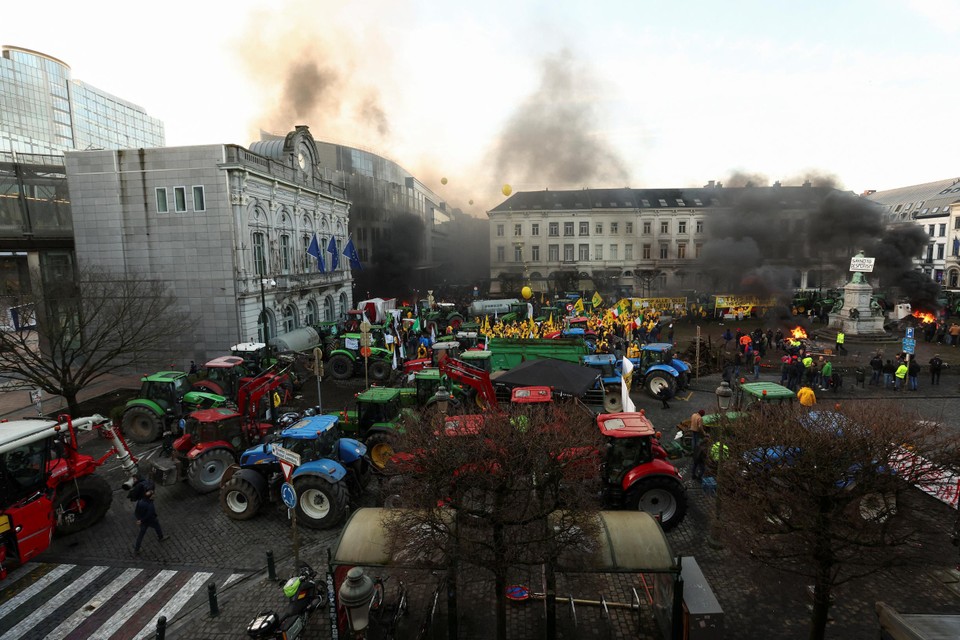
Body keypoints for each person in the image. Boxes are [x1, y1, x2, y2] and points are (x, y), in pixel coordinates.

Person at [134, 482, 168, 554]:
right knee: (157, 525)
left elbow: (136, 511)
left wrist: (139, 519)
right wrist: (142, 520)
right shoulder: (150, 505)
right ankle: (161, 537)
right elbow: (149, 514)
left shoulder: (140, 501)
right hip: (149, 520)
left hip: (142, 520)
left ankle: (136, 549)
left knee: (141, 535)